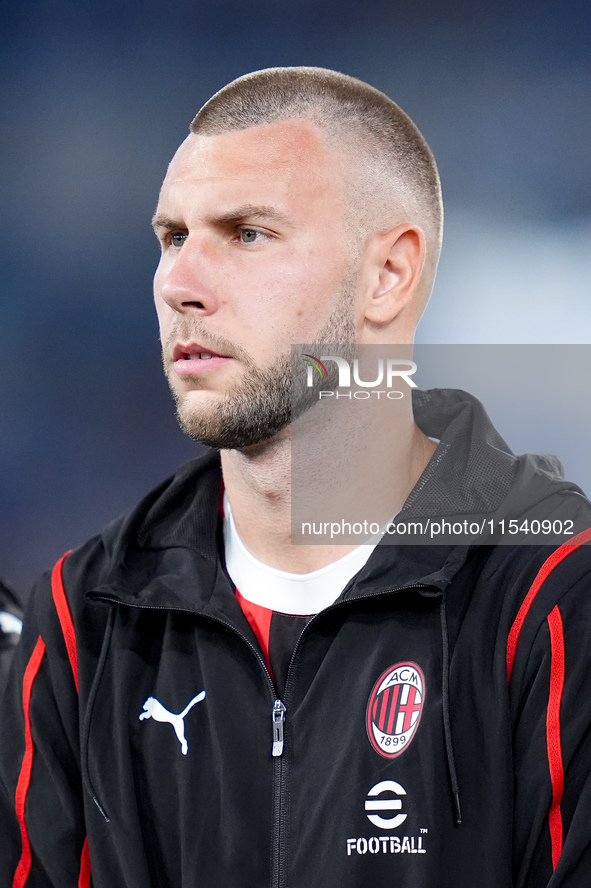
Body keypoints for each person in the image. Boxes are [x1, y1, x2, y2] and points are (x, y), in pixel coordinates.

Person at [1, 67, 591, 888]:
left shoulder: (555, 595)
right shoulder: (82, 617)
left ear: (387, 275)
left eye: (245, 234)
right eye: (172, 238)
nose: (179, 285)